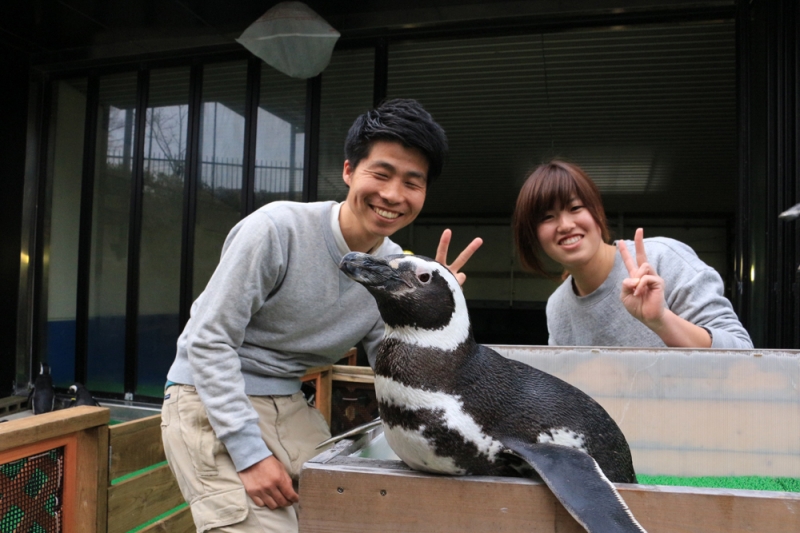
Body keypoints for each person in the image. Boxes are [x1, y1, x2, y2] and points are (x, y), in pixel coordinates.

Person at [161, 99, 483, 533]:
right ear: (349, 171)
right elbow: (207, 340)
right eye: (381, 173)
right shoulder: (276, 230)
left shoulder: (397, 272)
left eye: (412, 182)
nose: (392, 195)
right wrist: (250, 454)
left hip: (290, 402)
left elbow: (397, 361)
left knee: (347, 515)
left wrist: (437, 320)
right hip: (207, 396)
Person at [513, 160, 753, 349]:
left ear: (597, 211)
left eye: (575, 208)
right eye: (547, 217)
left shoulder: (662, 258)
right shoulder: (558, 307)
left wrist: (661, 320)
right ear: (533, 236)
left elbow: (743, 353)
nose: (565, 225)